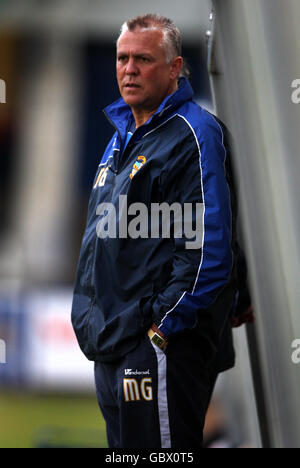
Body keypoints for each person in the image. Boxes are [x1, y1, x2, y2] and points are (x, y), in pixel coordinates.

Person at [71, 14, 253, 449]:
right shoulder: (122, 134)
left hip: (155, 346)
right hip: (113, 343)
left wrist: (160, 332)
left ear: (174, 68)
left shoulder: (194, 133)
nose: (128, 69)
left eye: (143, 59)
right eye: (121, 58)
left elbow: (208, 246)